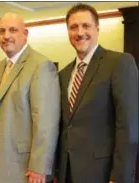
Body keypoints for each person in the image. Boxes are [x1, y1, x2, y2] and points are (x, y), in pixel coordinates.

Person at [58, 3, 138, 183]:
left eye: (86, 26)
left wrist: (120, 178)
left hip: (103, 174)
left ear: (97, 29)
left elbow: (129, 127)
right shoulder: (62, 75)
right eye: (73, 27)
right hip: (67, 173)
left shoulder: (119, 63)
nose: (79, 32)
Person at [0, 12, 60, 183]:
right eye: (1, 31)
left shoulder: (41, 65)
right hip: (2, 162)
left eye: (13, 30)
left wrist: (39, 167)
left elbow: (46, 122)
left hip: (27, 169)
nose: (6, 36)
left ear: (25, 34)